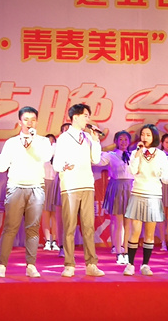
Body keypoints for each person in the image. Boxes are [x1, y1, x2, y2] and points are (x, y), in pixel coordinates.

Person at [0, 107, 53, 278]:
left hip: (36, 187)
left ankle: (31, 265)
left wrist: (33, 142)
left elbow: (45, 157)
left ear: (37, 122)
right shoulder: (12, 143)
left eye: (33, 120)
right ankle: (2, 265)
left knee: (33, 228)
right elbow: (2, 165)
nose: (29, 123)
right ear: (20, 122)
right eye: (26, 119)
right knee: (10, 228)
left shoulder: (43, 142)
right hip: (16, 187)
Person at [53, 103, 105, 277]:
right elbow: (56, 163)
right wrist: (64, 166)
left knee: (88, 226)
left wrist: (96, 140)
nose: (88, 119)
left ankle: (91, 264)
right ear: (75, 117)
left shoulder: (88, 137)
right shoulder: (64, 138)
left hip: (87, 185)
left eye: (88, 116)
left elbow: (95, 159)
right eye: (85, 115)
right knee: (69, 226)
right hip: (70, 186)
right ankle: (69, 264)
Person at [123, 124, 168, 276]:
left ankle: (145, 264)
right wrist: (137, 155)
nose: (145, 137)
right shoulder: (135, 153)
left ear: (154, 137)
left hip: (153, 195)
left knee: (149, 233)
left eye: (148, 135)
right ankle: (130, 264)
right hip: (138, 192)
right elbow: (132, 171)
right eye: (143, 134)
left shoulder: (161, 155)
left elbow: (165, 178)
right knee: (135, 231)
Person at [99, 130, 134, 265]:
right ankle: (119, 252)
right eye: (121, 139)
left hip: (130, 188)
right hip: (117, 188)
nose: (123, 142)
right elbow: (97, 161)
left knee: (128, 223)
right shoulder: (111, 155)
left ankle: (127, 251)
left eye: (126, 139)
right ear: (116, 141)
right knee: (118, 223)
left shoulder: (133, 155)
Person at [41, 133, 62, 254]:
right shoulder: (42, 156)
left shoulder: (58, 156)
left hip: (55, 184)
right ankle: (47, 240)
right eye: (48, 142)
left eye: (52, 142)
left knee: (55, 214)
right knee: (45, 213)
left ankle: (54, 240)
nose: (51, 144)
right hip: (44, 183)